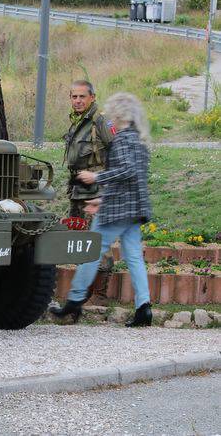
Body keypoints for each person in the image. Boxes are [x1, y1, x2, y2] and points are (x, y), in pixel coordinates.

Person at [51, 92, 153, 327]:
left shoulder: (124, 140)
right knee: (135, 258)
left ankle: (74, 301)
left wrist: (96, 176)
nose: (108, 118)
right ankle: (143, 308)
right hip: (133, 209)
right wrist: (102, 200)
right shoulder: (138, 139)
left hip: (118, 211)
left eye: (111, 112)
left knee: (91, 252)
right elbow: (132, 180)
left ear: (119, 114)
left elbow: (126, 171)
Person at [64, 80, 115, 303]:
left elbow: (118, 153)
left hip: (96, 192)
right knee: (79, 239)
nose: (77, 101)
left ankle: (100, 294)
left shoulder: (100, 121)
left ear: (92, 97)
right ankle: (83, 292)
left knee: (97, 240)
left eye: (82, 97)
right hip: (78, 191)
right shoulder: (77, 123)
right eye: (74, 97)